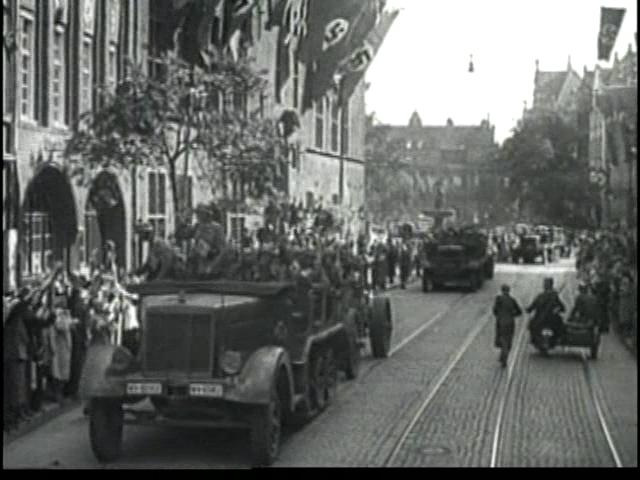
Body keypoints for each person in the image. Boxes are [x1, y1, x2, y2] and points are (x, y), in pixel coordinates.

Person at [526, 277, 566, 341]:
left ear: (545, 286)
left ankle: (533, 338)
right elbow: (562, 308)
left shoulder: (540, 296)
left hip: (540, 319)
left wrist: (528, 309)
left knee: (531, 326)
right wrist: (557, 310)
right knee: (560, 325)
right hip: (552, 319)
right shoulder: (554, 296)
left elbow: (532, 306)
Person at [493, 284, 523, 367]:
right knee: (508, 339)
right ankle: (504, 355)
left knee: (501, 338)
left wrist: (499, 315)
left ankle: (503, 355)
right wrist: (513, 315)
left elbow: (495, 310)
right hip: (510, 322)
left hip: (501, 322)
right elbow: (519, 312)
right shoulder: (512, 300)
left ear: (502, 290)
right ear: (509, 291)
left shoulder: (498, 299)